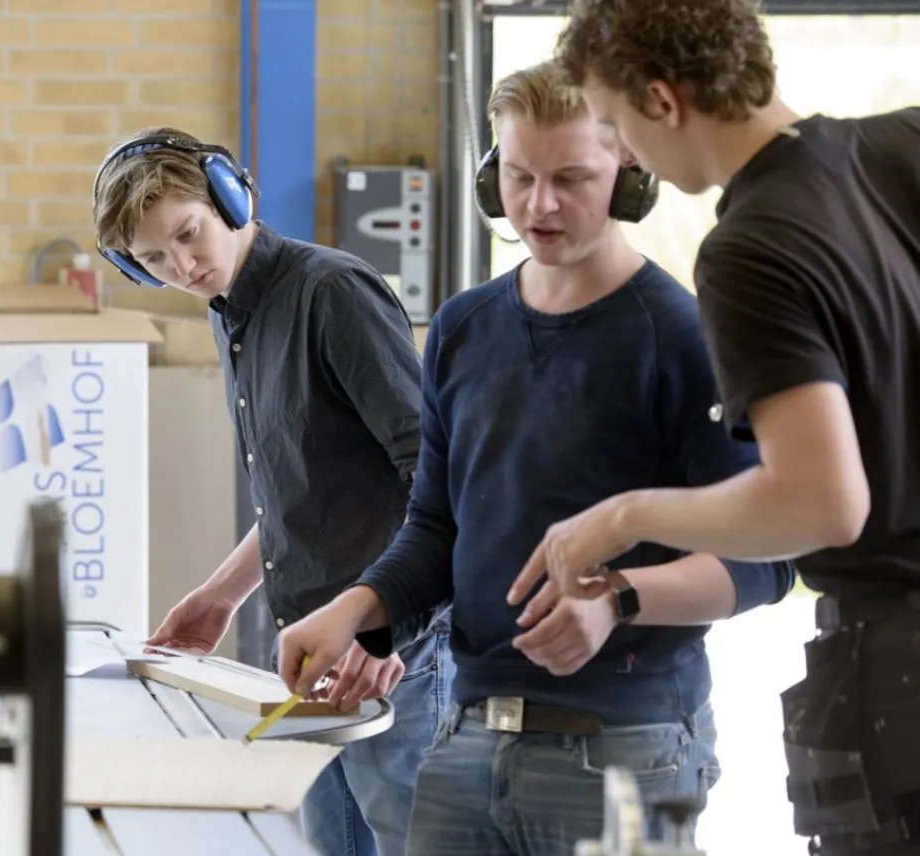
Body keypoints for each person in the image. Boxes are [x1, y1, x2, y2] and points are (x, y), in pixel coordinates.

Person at [274, 61, 798, 856]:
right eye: (518, 176)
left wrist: (616, 599)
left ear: (628, 169)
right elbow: (437, 530)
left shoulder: (683, 338)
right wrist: (355, 608)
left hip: (630, 750)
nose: (540, 204)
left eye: (570, 178)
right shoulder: (461, 329)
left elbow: (769, 560)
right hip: (466, 738)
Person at [504, 2, 920, 853]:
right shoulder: (903, 144)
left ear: (663, 101)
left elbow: (819, 504)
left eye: (616, 126)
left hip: (899, 663)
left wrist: (624, 518)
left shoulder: (751, 247)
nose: (622, 155)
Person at [90, 126, 453, 856]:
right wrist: (222, 595)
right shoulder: (234, 316)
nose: (182, 266)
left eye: (189, 235)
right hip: (314, 653)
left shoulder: (330, 293)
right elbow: (304, 492)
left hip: (393, 654)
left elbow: (439, 478)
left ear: (231, 195)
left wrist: (386, 625)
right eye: (152, 259)